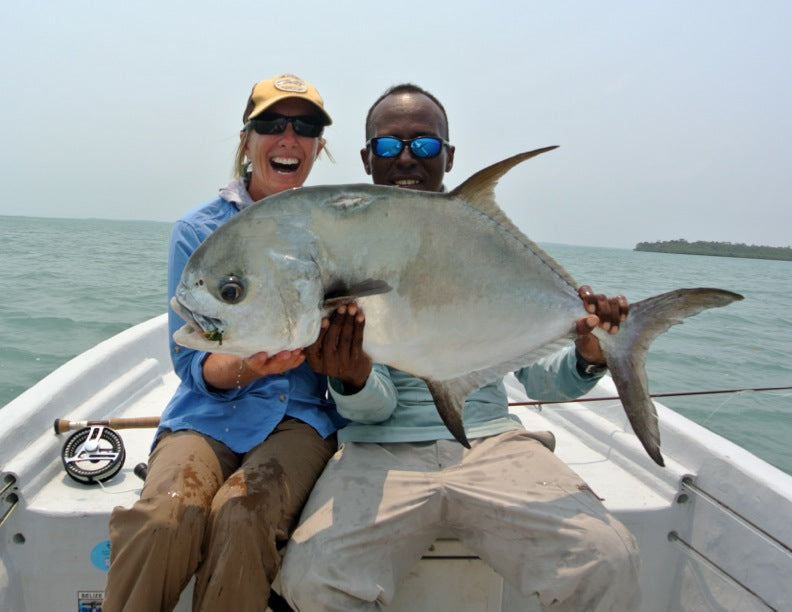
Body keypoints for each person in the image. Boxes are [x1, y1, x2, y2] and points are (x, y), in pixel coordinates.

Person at [280, 84, 641, 610]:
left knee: (607, 558)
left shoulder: (488, 248)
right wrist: (351, 378)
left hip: (493, 443)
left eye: (425, 145)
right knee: (312, 582)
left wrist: (588, 354)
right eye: (389, 145)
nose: (407, 158)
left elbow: (542, 381)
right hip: (377, 454)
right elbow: (376, 408)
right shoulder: (343, 249)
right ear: (366, 158)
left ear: (448, 156)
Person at [103, 74, 343, 612]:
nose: (289, 137)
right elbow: (191, 361)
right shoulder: (198, 231)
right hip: (205, 414)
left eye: (306, 127)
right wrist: (248, 366)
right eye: (271, 123)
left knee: (243, 514)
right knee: (165, 518)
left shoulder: (334, 232)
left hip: (299, 416)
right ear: (246, 139)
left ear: (318, 146)